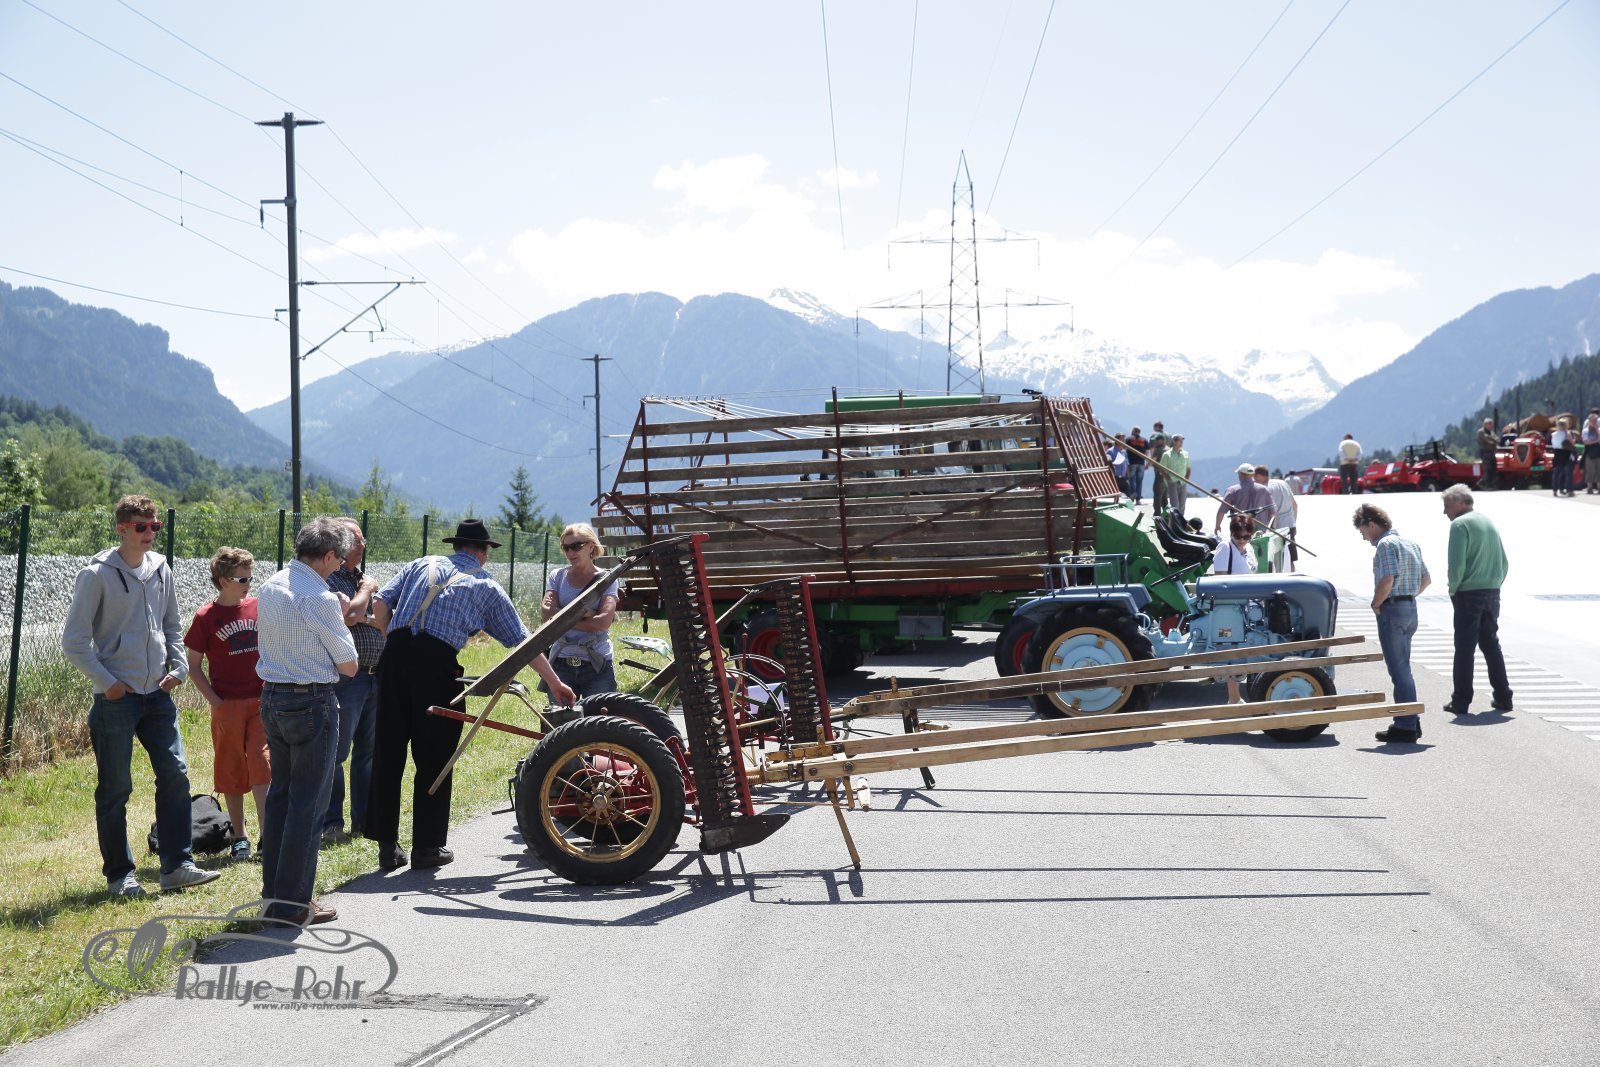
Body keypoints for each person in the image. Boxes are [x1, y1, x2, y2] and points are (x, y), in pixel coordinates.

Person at [368, 518, 577, 872]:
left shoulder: (421, 564)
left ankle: (387, 847)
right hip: (435, 666)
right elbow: (523, 643)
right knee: (435, 755)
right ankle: (427, 847)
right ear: (483, 552)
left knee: (388, 751)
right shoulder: (485, 585)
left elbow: (379, 603)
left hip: (393, 659)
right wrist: (555, 683)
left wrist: (393, 639)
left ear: (456, 546)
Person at [62, 496, 220, 898]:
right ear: (122, 529)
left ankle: (177, 866)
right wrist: (108, 682)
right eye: (141, 527)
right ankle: (120, 876)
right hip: (116, 699)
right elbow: (74, 642)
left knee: (175, 775)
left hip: (158, 695)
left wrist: (179, 668)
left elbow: (172, 625)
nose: (149, 533)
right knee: (115, 789)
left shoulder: (161, 567)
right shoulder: (95, 575)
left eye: (155, 527)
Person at [255, 518, 359, 925]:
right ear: (329, 555)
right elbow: (349, 665)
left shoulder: (270, 584)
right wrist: (340, 614)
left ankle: (273, 898)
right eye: (340, 559)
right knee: (309, 805)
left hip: (272, 696)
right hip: (312, 701)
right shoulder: (319, 597)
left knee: (281, 798)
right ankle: (295, 904)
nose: (341, 566)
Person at [184, 546, 267, 862]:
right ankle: (239, 836)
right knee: (231, 768)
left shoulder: (258, 608)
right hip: (227, 705)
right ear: (223, 581)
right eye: (242, 578)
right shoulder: (206, 617)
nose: (249, 583)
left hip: (261, 701)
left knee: (263, 765)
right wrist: (216, 702)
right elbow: (193, 666)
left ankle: (267, 835)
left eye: (251, 577)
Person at [321, 517, 384, 844]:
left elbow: (376, 619)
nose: (363, 546)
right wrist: (366, 593)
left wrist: (365, 616)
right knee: (337, 753)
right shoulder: (332, 579)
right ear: (340, 544)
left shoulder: (360, 578)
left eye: (363, 541)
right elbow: (347, 617)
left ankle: (364, 821)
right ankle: (332, 823)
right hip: (347, 679)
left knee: (368, 753)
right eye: (357, 541)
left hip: (374, 676)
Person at [1354, 504, 1431, 745]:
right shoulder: (1410, 543)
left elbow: (1388, 578)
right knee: (1404, 668)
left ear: (1371, 524)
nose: (1364, 538)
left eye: (1363, 531)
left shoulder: (1385, 545)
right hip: (1410, 608)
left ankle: (1405, 725)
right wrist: (1408, 596)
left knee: (1398, 670)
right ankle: (1411, 720)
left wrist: (1377, 603)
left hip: (1393, 608)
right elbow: (1426, 579)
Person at [1440, 485, 1513, 717]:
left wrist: (1453, 588)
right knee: (1491, 644)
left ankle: (1461, 700)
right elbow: (1504, 562)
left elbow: (1456, 564)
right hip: (1492, 591)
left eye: (1447, 506)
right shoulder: (1488, 521)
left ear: (1460, 503)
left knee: (1464, 648)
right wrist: (1495, 584)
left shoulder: (1459, 525)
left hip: (1468, 593)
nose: (1445, 511)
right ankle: (1503, 696)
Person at [540, 522, 620, 698]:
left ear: (591, 546)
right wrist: (586, 614)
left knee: (601, 715)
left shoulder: (607, 579)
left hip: (597, 664)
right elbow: (546, 615)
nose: (570, 552)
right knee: (562, 716)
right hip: (561, 665)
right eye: (566, 547)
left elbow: (603, 622)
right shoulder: (557, 576)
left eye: (576, 546)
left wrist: (561, 616)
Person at [1254, 465, 1298, 571]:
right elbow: (1295, 505)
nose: (1254, 480)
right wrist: (1293, 523)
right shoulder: (1283, 483)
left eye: (1255, 477)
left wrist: (1270, 529)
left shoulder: (1265, 489)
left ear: (1260, 475)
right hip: (1290, 525)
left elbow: (1271, 512)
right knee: (1290, 559)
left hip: (1277, 529)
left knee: (1275, 562)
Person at [1214, 463, 1274, 537]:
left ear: (1240, 474)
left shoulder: (1232, 490)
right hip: (1261, 532)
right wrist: (1273, 528)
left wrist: (1217, 526)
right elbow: (1273, 512)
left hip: (1240, 532)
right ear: (1252, 475)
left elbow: (1222, 511)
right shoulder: (1264, 489)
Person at [1157, 433, 1190, 517]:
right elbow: (1161, 469)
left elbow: (1188, 468)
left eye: (1182, 440)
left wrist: (1187, 479)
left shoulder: (1185, 454)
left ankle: (1181, 520)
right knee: (1175, 504)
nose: (1181, 442)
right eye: (1179, 440)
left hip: (1183, 482)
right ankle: (1175, 520)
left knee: (1182, 504)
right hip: (1172, 482)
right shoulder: (1167, 455)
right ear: (1174, 441)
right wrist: (1168, 479)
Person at [1550, 416, 1576, 497]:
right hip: (1566, 453)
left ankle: (1555, 490)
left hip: (1557, 453)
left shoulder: (1553, 434)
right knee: (1568, 474)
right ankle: (1570, 490)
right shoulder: (1567, 433)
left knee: (1556, 473)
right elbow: (1572, 443)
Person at [1147, 421, 1169, 504]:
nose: (1155, 442)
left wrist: (1148, 465)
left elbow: (1154, 457)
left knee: (1157, 491)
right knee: (1165, 493)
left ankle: (1157, 510)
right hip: (1167, 471)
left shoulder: (1159, 448)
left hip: (1159, 470)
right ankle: (1166, 510)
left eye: (1157, 440)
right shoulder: (1168, 446)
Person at [1125, 426, 1149, 503]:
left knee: (1131, 479)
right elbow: (1147, 452)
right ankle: (1138, 499)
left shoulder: (1129, 439)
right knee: (1139, 481)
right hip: (1141, 463)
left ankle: (1132, 494)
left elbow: (1125, 450)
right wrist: (1147, 463)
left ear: (1133, 431)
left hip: (1131, 462)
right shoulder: (1144, 440)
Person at [1476, 418, 1500, 490]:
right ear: (1485, 424)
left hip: (1491, 452)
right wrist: (1494, 440)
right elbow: (1488, 439)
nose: (1491, 426)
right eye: (1490, 425)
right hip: (1485, 452)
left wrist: (1495, 440)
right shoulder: (1481, 432)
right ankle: (1487, 485)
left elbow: (1496, 438)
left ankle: (1488, 484)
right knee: (1488, 469)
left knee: (1494, 469)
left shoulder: (1491, 432)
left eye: (1492, 425)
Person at [1583, 409, 1600, 494]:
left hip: (1598, 452)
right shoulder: (1586, 431)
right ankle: (1589, 488)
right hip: (1589, 452)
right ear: (1589, 421)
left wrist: (1597, 429)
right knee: (1590, 470)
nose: (1594, 423)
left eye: (1596, 421)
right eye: (1593, 421)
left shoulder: (1598, 430)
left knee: (1598, 470)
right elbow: (1586, 441)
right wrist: (1596, 441)